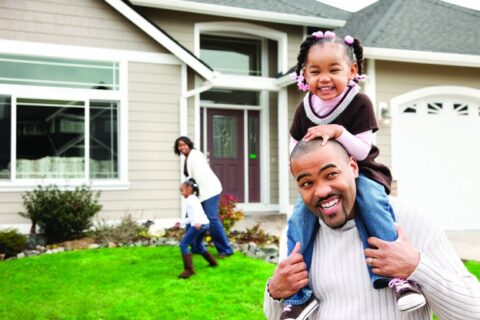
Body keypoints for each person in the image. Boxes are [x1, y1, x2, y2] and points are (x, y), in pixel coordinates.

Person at [283, 30, 424, 319]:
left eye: (334, 70)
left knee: (372, 204)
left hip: (364, 173)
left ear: (352, 70)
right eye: (315, 71)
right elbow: (295, 146)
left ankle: (397, 278)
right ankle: (299, 294)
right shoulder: (304, 109)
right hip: (321, 178)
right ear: (304, 75)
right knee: (298, 218)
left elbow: (362, 150)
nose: (324, 78)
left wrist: (338, 132)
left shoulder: (359, 103)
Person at [264, 138, 480, 319]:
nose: (321, 191)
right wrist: (274, 292)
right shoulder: (297, 238)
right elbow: (278, 316)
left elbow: (473, 312)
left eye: (331, 174)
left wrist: (417, 267)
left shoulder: (408, 220)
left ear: (353, 167)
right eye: (307, 183)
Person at [173, 136, 234, 258]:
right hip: (199, 192)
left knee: (211, 219)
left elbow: (199, 177)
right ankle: (196, 247)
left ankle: (226, 250)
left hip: (209, 190)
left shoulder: (195, 155)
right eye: (180, 145)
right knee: (191, 218)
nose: (182, 147)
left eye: (184, 144)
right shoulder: (188, 157)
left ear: (189, 144)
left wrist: (191, 194)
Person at [178, 178, 218, 279]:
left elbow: (195, 214)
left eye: (181, 190)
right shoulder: (194, 199)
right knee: (198, 245)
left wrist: (196, 223)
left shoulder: (191, 200)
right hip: (204, 224)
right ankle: (213, 263)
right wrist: (181, 223)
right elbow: (192, 216)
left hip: (198, 225)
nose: (181, 193)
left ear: (188, 189)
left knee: (183, 244)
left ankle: (189, 270)